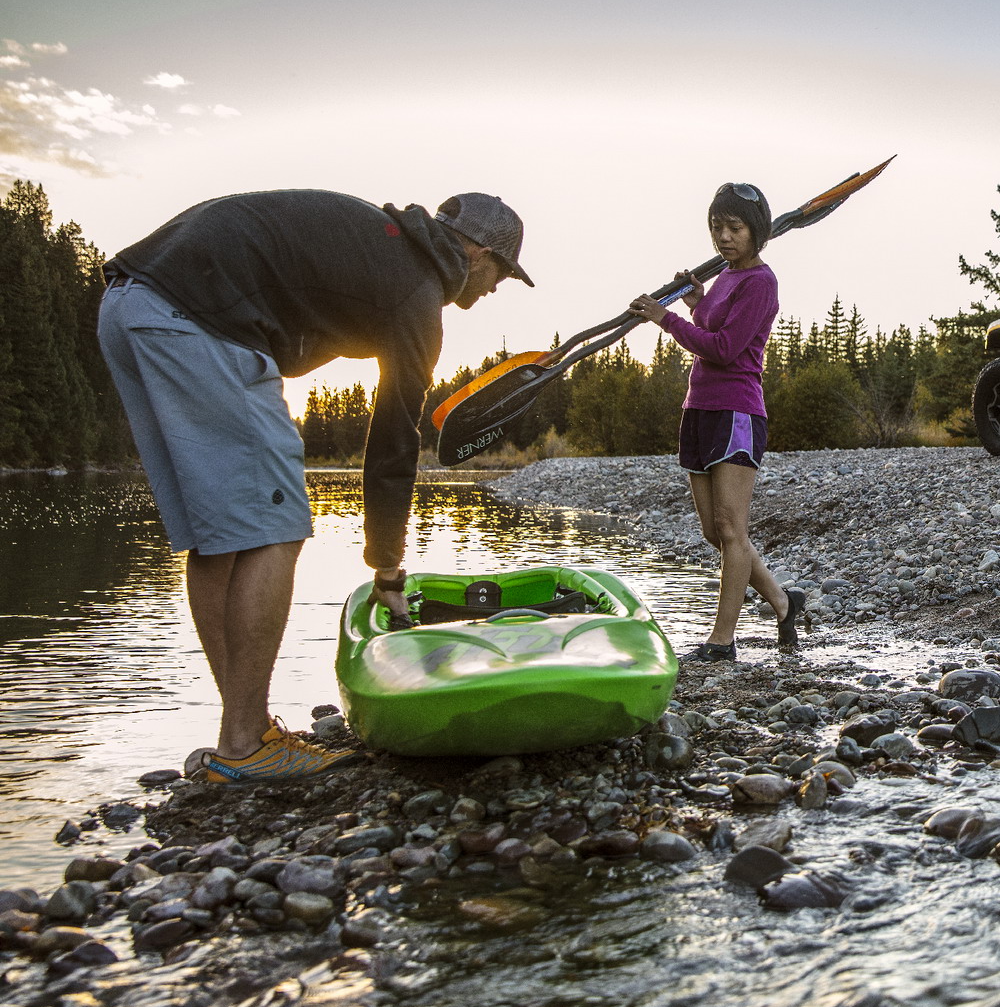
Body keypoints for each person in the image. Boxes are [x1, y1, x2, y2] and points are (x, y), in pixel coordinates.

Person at [98, 189, 533, 783]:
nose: (493, 290)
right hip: (196, 319)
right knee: (276, 528)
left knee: (218, 536)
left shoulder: (383, 248)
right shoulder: (416, 292)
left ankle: (242, 729)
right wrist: (387, 569)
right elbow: (392, 446)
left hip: (129, 307)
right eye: (501, 275)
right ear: (480, 253)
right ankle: (246, 745)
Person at [629, 183, 806, 663]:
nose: (724, 237)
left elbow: (726, 348)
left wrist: (666, 319)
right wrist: (696, 301)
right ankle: (783, 602)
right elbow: (710, 326)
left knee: (732, 528)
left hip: (737, 411)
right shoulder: (727, 277)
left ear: (757, 232)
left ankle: (721, 640)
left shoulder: (760, 282)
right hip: (699, 408)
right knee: (717, 532)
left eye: (735, 228)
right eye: (716, 228)